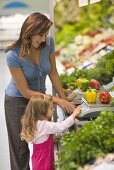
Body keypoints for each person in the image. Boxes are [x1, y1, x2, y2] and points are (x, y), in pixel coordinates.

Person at [4, 12, 77, 170]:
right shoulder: (12, 55)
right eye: (41, 35)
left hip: (41, 101)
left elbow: (53, 73)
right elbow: (25, 92)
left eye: (46, 34)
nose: (44, 39)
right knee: (20, 148)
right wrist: (56, 100)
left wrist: (65, 102)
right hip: (18, 102)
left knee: (44, 141)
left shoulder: (49, 43)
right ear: (29, 32)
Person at [20, 94, 81, 170]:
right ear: (43, 111)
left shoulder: (35, 122)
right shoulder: (43, 125)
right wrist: (74, 114)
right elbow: (61, 126)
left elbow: (40, 138)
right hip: (43, 163)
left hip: (37, 161)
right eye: (51, 108)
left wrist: (50, 140)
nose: (53, 110)